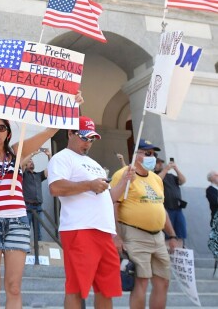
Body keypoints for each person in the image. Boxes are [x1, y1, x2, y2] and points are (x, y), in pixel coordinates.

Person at [0, 70, 81, 309]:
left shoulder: (17, 151)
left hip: (17, 221)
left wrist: (72, 106)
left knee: (14, 287)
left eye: (1, 128)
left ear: (8, 130)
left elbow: (49, 132)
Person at [48, 116, 134, 309]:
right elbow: (55, 188)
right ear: (70, 133)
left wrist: (125, 181)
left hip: (104, 231)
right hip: (80, 229)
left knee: (106, 289)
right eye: (84, 137)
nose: (87, 143)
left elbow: (108, 197)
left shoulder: (94, 163)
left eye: (91, 139)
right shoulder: (61, 158)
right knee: (76, 288)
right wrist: (89, 184)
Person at [111, 139, 181, 309]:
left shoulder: (156, 179)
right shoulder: (123, 174)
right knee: (140, 282)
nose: (152, 157)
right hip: (135, 234)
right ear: (136, 154)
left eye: (153, 154)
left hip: (158, 236)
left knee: (163, 281)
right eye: (147, 153)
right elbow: (113, 204)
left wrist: (171, 235)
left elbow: (160, 207)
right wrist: (116, 235)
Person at [155, 156, 187, 245]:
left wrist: (176, 169)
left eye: (161, 162)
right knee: (168, 233)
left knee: (181, 232)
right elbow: (156, 181)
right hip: (166, 209)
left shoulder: (171, 176)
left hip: (177, 208)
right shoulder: (153, 175)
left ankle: (180, 249)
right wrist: (165, 170)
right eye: (158, 162)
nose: (160, 164)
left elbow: (183, 180)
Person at [22, 148, 51, 242]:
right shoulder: (22, 174)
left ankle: (39, 254)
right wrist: (33, 153)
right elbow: (21, 164)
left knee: (39, 234)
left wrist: (49, 156)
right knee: (25, 233)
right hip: (27, 207)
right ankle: (26, 255)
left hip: (38, 208)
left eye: (32, 161)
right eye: (29, 161)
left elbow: (51, 170)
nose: (31, 162)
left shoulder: (38, 175)